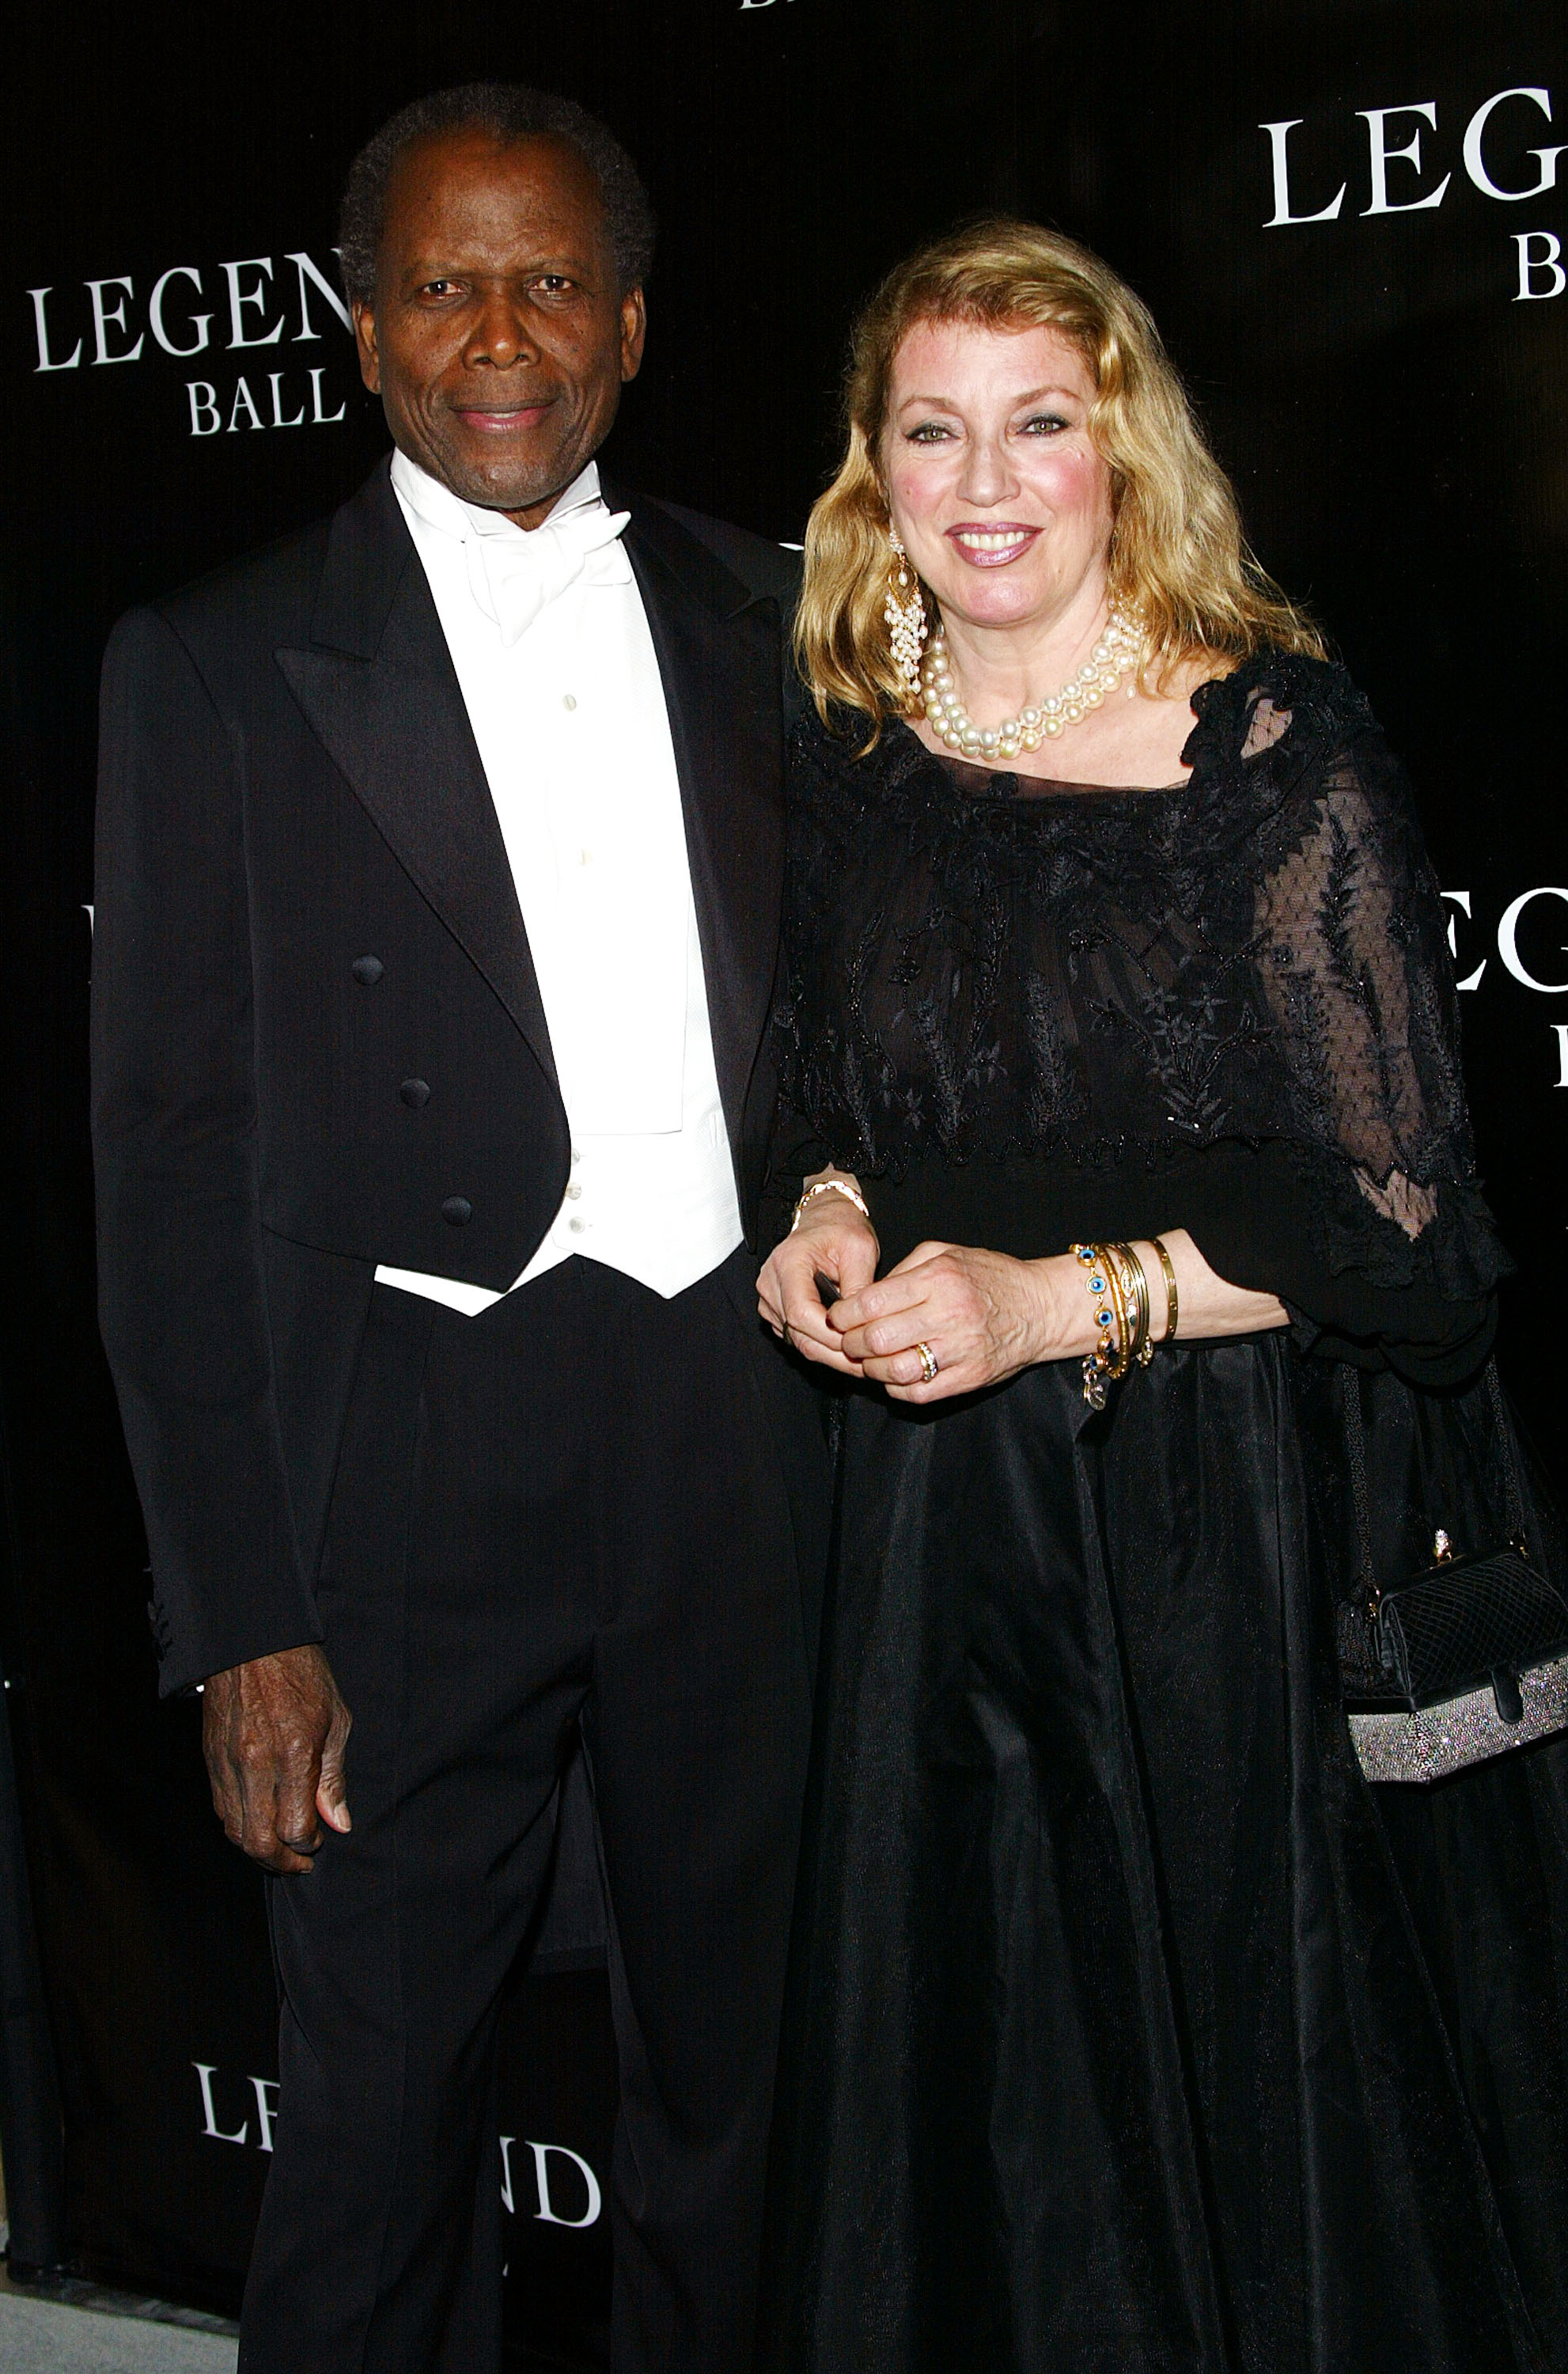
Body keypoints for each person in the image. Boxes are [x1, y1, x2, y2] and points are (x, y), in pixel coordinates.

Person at [758, 218, 1568, 2374]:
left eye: (1043, 424)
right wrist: (825, 1217)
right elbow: (849, 1099)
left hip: (1225, 1523)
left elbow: (1405, 1238)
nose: (988, 479)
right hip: (942, 1542)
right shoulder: (856, 741)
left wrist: (1064, 1306)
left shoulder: (1270, 751)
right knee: (990, 2097)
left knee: (1236, 2082)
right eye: (935, 429)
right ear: (874, 467)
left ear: (1129, 455)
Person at [92, 82, 827, 2374]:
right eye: (439, 282)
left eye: (544, 280)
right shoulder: (212, 662)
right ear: (359, 327)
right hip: (413, 1453)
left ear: (625, 322)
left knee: (759, 2077)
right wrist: (241, 1617)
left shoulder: (784, 615)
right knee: (382, 2105)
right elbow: (163, 1161)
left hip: (746, 1417)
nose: (493, 331)